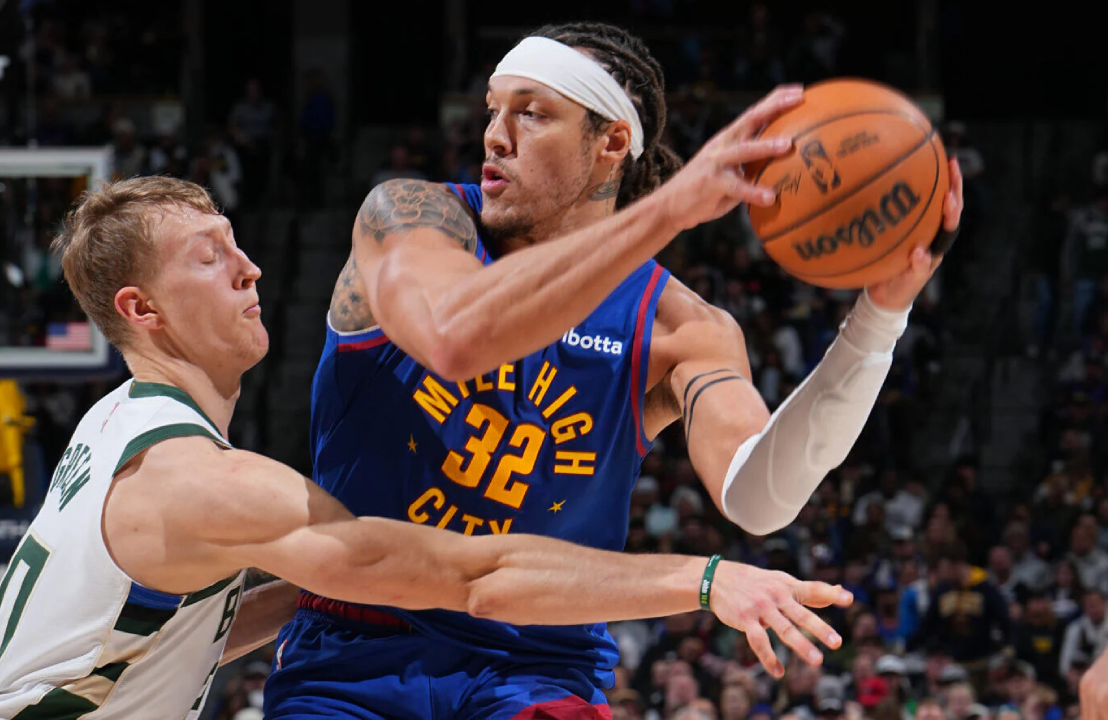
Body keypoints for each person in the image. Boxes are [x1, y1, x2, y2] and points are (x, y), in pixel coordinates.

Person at [0, 177, 851, 720]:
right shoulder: (203, 483)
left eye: (237, 244)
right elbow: (475, 579)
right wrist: (707, 580)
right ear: (141, 309)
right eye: (210, 258)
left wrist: (326, 586)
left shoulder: (116, 426)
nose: (250, 267)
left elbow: (170, 634)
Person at [269, 20, 963, 720]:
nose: (495, 137)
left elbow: (759, 498)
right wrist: (672, 209)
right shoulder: (412, 217)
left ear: (610, 144)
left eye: (532, 113)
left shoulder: (678, 326)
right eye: (493, 109)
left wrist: (880, 318)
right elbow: (455, 337)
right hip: (354, 652)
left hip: (535, 668)